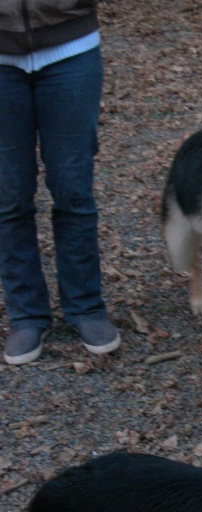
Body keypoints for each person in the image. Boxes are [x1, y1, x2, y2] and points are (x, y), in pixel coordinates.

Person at [0, 0, 120, 365]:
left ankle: (86, 307)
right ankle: (26, 315)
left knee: (73, 189)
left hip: (72, 50)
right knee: (9, 196)